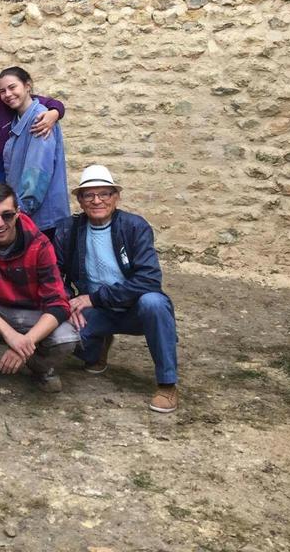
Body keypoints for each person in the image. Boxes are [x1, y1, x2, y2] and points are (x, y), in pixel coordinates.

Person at [53, 165, 180, 413]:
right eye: (89, 195)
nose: (97, 201)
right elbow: (55, 275)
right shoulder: (68, 229)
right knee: (63, 334)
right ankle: (98, 348)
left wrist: (95, 298)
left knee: (154, 303)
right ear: (79, 200)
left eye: (105, 194)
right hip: (98, 310)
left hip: (135, 308)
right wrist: (68, 302)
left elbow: (149, 279)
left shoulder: (134, 227)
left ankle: (167, 383)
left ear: (116, 197)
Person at [0, 183, 79, 394]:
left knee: (68, 338)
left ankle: (39, 367)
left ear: (18, 214)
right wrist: (9, 334)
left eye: (7, 215)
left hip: (32, 311)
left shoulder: (39, 244)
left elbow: (58, 304)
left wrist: (24, 345)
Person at [0, 67, 69, 241]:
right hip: (29, 215)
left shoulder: (39, 118)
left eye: (12, 87)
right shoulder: (18, 119)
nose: (8, 94)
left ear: (27, 86)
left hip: (42, 218)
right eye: (2, 91)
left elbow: (37, 172)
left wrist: (20, 209)